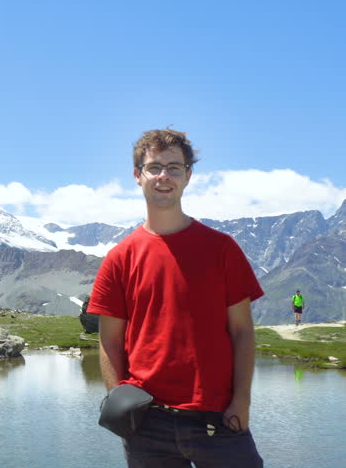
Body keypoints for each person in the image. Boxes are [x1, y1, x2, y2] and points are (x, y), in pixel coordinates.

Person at [87, 128, 264, 467]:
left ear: (188, 176)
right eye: (154, 167)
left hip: (218, 416)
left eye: (174, 167)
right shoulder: (119, 258)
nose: (164, 176)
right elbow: (109, 340)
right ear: (138, 176)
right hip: (146, 421)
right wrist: (118, 400)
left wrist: (242, 401)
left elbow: (242, 331)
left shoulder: (222, 249)